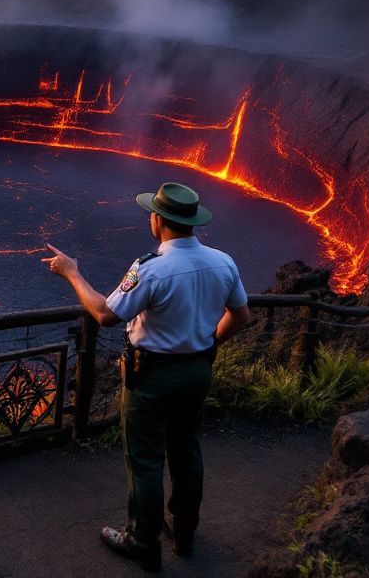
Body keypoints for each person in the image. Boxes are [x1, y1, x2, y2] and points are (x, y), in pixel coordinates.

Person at [44, 182, 250, 573]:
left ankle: (143, 544)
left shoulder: (150, 268)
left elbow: (105, 314)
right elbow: (241, 316)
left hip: (152, 377)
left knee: (145, 460)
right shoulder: (223, 263)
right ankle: (183, 534)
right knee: (187, 452)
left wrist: (72, 273)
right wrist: (207, 345)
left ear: (159, 220)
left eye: (151, 214)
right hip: (197, 372)